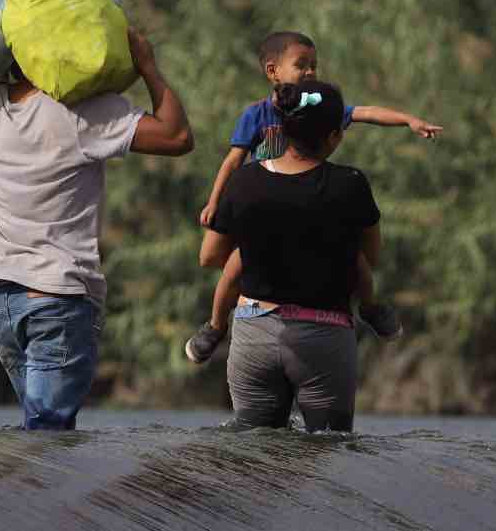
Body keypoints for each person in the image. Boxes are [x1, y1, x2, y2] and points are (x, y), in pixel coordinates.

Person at [0, 3, 193, 430]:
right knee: (48, 443)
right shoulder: (79, 112)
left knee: (38, 441)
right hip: (56, 300)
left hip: (2, 302)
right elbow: (177, 136)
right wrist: (147, 67)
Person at [185, 31, 441, 363]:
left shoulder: (318, 108)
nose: (310, 72)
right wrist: (215, 201)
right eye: (301, 65)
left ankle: (370, 307)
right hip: (264, 216)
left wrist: (408, 120)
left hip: (307, 208)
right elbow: (233, 161)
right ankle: (216, 326)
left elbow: (363, 112)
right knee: (234, 268)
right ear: (272, 71)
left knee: (358, 262)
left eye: (314, 66)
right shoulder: (256, 115)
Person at [199, 80, 378, 431]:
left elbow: (208, 256)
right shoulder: (351, 184)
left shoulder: (244, 181)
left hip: (254, 332)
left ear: (280, 128)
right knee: (328, 449)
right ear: (333, 137)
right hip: (324, 339)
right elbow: (371, 255)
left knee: (253, 452)